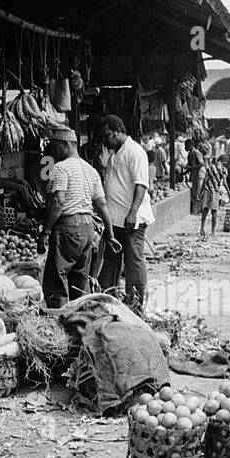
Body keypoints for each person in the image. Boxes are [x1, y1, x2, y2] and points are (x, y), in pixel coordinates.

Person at [40, 127, 118, 307]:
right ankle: (81, 321)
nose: (52, 151)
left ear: (66, 145)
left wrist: (46, 231)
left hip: (67, 228)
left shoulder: (60, 168)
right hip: (87, 230)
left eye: (55, 146)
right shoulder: (90, 170)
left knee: (55, 281)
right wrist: (110, 234)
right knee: (80, 283)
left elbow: (58, 203)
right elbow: (102, 205)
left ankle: (59, 322)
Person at [96, 115, 154, 311]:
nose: (105, 140)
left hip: (131, 220)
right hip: (115, 221)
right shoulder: (114, 154)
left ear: (117, 131)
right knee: (111, 261)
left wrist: (133, 212)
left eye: (108, 135)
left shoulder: (135, 152)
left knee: (133, 262)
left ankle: (136, 305)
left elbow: (141, 185)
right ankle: (108, 301)